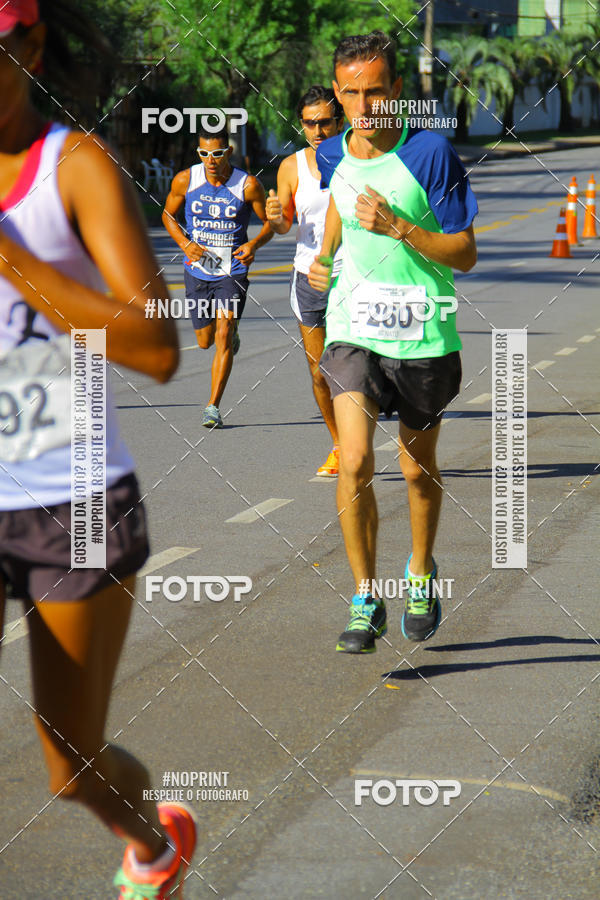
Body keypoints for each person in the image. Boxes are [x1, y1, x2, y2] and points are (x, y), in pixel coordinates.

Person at [0, 2, 196, 896]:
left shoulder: (72, 167)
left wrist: (15, 263)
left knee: (71, 767)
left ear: (29, 47)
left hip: (72, 498)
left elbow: (157, 346)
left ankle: (156, 844)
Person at [309, 30, 478, 653]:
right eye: (351, 94)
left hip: (422, 332)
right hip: (353, 328)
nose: (364, 106)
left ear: (398, 90)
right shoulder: (331, 152)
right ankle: (365, 597)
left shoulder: (430, 153)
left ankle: (422, 571)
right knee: (354, 460)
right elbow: (339, 198)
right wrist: (324, 254)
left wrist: (399, 227)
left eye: (376, 92)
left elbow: (465, 253)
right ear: (337, 93)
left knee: (415, 467)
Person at [162, 126, 272, 428]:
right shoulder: (185, 180)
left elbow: (270, 223)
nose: (211, 160)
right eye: (204, 153)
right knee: (204, 341)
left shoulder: (247, 185)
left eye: (217, 153)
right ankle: (230, 333)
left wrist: (253, 244)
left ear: (229, 152)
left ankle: (213, 406)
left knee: (222, 333)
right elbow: (168, 215)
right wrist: (185, 243)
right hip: (197, 270)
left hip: (231, 270)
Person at [266, 85, 345, 476]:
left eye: (324, 122)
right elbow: (283, 225)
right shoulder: (291, 167)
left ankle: (361, 434)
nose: (317, 130)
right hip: (308, 276)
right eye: (309, 123)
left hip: (352, 273)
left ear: (339, 121)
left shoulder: (356, 158)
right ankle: (340, 444)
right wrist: (275, 217)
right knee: (319, 371)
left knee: (356, 366)